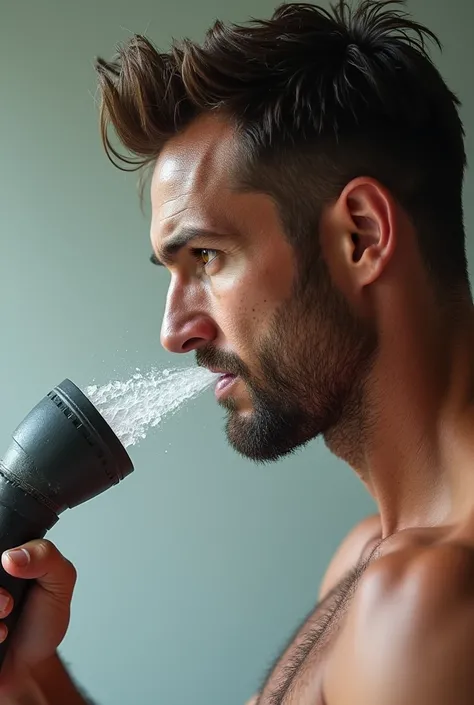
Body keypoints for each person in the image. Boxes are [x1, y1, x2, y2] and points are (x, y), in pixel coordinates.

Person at [1, 0, 473, 702]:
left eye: (208, 257)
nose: (175, 331)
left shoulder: (426, 604)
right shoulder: (370, 561)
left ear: (363, 237)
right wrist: (32, 673)